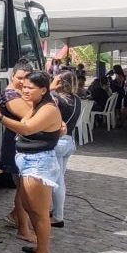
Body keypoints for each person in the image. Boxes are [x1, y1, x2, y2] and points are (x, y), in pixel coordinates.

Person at [0, 71, 63, 253]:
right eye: (23, 86)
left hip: (39, 163)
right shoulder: (36, 107)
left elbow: (26, 129)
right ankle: (41, 248)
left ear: (43, 90)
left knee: (39, 212)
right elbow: (26, 122)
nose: (24, 90)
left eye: (30, 88)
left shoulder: (48, 109)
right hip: (29, 161)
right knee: (28, 206)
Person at [0, 60, 37, 243]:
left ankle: (18, 219)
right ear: (12, 76)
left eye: (26, 78)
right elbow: (30, 114)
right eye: (19, 78)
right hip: (15, 144)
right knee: (23, 189)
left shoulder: (21, 93)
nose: (22, 82)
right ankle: (23, 228)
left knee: (23, 189)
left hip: (22, 143)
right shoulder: (10, 94)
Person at [50, 71, 80, 227]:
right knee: (60, 177)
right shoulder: (77, 100)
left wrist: (50, 88)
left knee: (57, 180)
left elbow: (42, 101)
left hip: (58, 141)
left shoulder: (56, 99)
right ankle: (56, 211)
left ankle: (58, 216)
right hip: (69, 141)